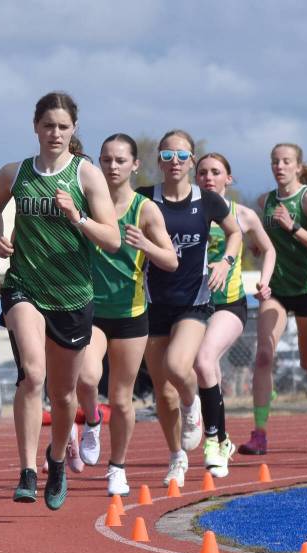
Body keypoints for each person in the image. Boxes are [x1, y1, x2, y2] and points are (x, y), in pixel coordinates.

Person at [0, 92, 121, 509]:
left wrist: (76, 216)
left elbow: (112, 240)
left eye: (62, 126)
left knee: (64, 395)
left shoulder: (86, 175)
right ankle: (27, 470)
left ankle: (56, 459)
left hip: (73, 295)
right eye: (48, 126)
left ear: (73, 129)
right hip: (25, 285)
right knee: (32, 374)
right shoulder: (15, 173)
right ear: (36, 128)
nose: (55, 133)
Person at [71, 133, 177, 496]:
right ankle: (92, 419)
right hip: (91, 309)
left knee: (121, 398)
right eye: (106, 160)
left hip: (131, 315)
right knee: (86, 376)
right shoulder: (85, 200)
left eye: (119, 160)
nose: (112, 166)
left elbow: (171, 260)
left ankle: (117, 467)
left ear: (135, 165)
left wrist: (145, 244)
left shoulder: (145, 209)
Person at [138, 130, 242, 487]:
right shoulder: (145, 199)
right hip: (153, 301)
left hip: (194, 300)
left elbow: (235, 233)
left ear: (192, 160)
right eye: (167, 156)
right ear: (158, 161)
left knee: (177, 366)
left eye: (182, 156)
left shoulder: (208, 200)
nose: (175, 163)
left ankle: (192, 401)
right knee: (162, 390)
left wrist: (226, 262)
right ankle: (176, 457)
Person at [239, 143, 307, 455]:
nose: (279, 166)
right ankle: (259, 433)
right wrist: (256, 246)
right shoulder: (264, 201)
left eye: (286, 161)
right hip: (275, 291)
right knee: (264, 355)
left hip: (306, 290)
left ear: (298, 167)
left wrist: (293, 228)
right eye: (275, 161)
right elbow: (260, 242)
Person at [193, 152, 275, 476]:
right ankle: (222, 438)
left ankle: (213, 438)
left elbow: (268, 249)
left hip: (229, 304)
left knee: (203, 360)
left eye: (215, 172)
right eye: (202, 173)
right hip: (192, 304)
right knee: (202, 369)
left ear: (229, 178)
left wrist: (264, 281)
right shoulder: (186, 213)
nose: (208, 178)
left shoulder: (242, 215)